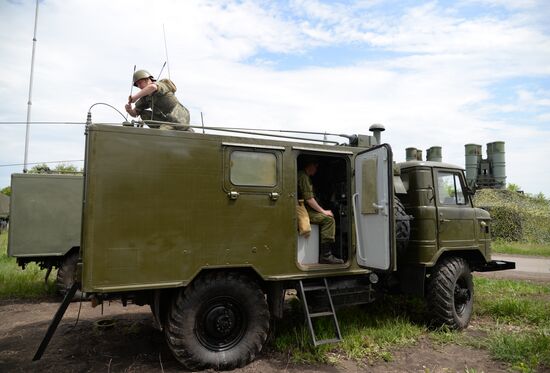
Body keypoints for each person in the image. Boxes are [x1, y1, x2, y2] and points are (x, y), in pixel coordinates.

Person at [297, 159, 344, 264]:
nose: (316, 169)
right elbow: (309, 199)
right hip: (303, 209)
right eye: (316, 166)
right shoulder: (303, 176)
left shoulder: (303, 176)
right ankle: (326, 255)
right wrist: (323, 211)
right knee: (329, 220)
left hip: (304, 208)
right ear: (310, 165)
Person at [124, 69, 191, 131]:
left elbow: (153, 87)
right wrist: (130, 110)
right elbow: (135, 113)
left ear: (147, 79)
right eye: (137, 84)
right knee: (143, 113)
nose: (139, 86)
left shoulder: (162, 84)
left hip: (178, 118)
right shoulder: (145, 98)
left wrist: (135, 97)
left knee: (162, 133)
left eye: (140, 83)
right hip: (165, 121)